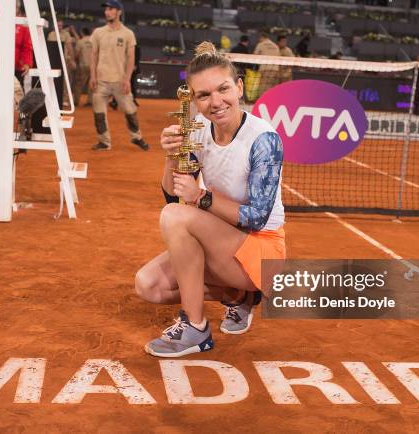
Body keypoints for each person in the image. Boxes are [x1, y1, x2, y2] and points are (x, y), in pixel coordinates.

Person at [135, 42, 286, 357]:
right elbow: (171, 194)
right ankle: (237, 295)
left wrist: (201, 196)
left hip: (262, 253)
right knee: (148, 284)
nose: (216, 101)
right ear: (195, 99)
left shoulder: (264, 139)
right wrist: (171, 156)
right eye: (204, 95)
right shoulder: (199, 130)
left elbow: (257, 216)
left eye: (223, 89)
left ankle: (195, 327)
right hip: (222, 242)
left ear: (239, 88)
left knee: (176, 218)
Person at [90, 0, 149, 151]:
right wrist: (93, 76)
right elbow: (93, 55)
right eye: (106, 10)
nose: (107, 12)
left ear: (119, 12)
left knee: (130, 111)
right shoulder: (98, 32)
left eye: (110, 9)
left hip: (120, 81)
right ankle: (104, 142)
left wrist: (127, 79)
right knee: (99, 114)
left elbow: (131, 58)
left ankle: (137, 137)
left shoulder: (128, 34)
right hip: (101, 81)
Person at [253, 31, 280, 98]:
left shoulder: (261, 44)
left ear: (261, 37)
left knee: (263, 89)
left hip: (265, 69)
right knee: (273, 90)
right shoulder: (275, 46)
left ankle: (262, 104)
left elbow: (254, 57)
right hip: (276, 70)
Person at [73, 27, 93, 107]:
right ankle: (90, 101)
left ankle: (76, 101)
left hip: (83, 65)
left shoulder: (80, 42)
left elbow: (76, 54)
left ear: (82, 33)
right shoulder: (94, 41)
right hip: (93, 66)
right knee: (91, 84)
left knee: (78, 84)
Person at [14, 5, 33, 85]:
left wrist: (27, 63)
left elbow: (27, 46)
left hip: (18, 66)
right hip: (0, 65)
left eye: (15, 7)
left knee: (18, 92)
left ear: (18, 9)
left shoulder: (23, 24)